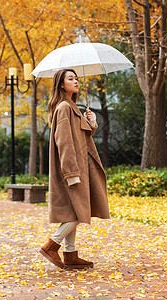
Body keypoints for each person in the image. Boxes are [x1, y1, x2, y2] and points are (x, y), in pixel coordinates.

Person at [39, 69, 110, 269]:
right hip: (72, 169)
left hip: (79, 167)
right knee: (81, 211)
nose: (76, 81)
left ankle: (70, 254)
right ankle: (52, 245)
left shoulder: (71, 107)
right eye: (70, 79)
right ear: (61, 84)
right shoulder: (63, 107)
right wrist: (71, 173)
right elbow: (65, 143)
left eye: (76, 78)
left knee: (73, 211)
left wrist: (92, 123)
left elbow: (81, 137)